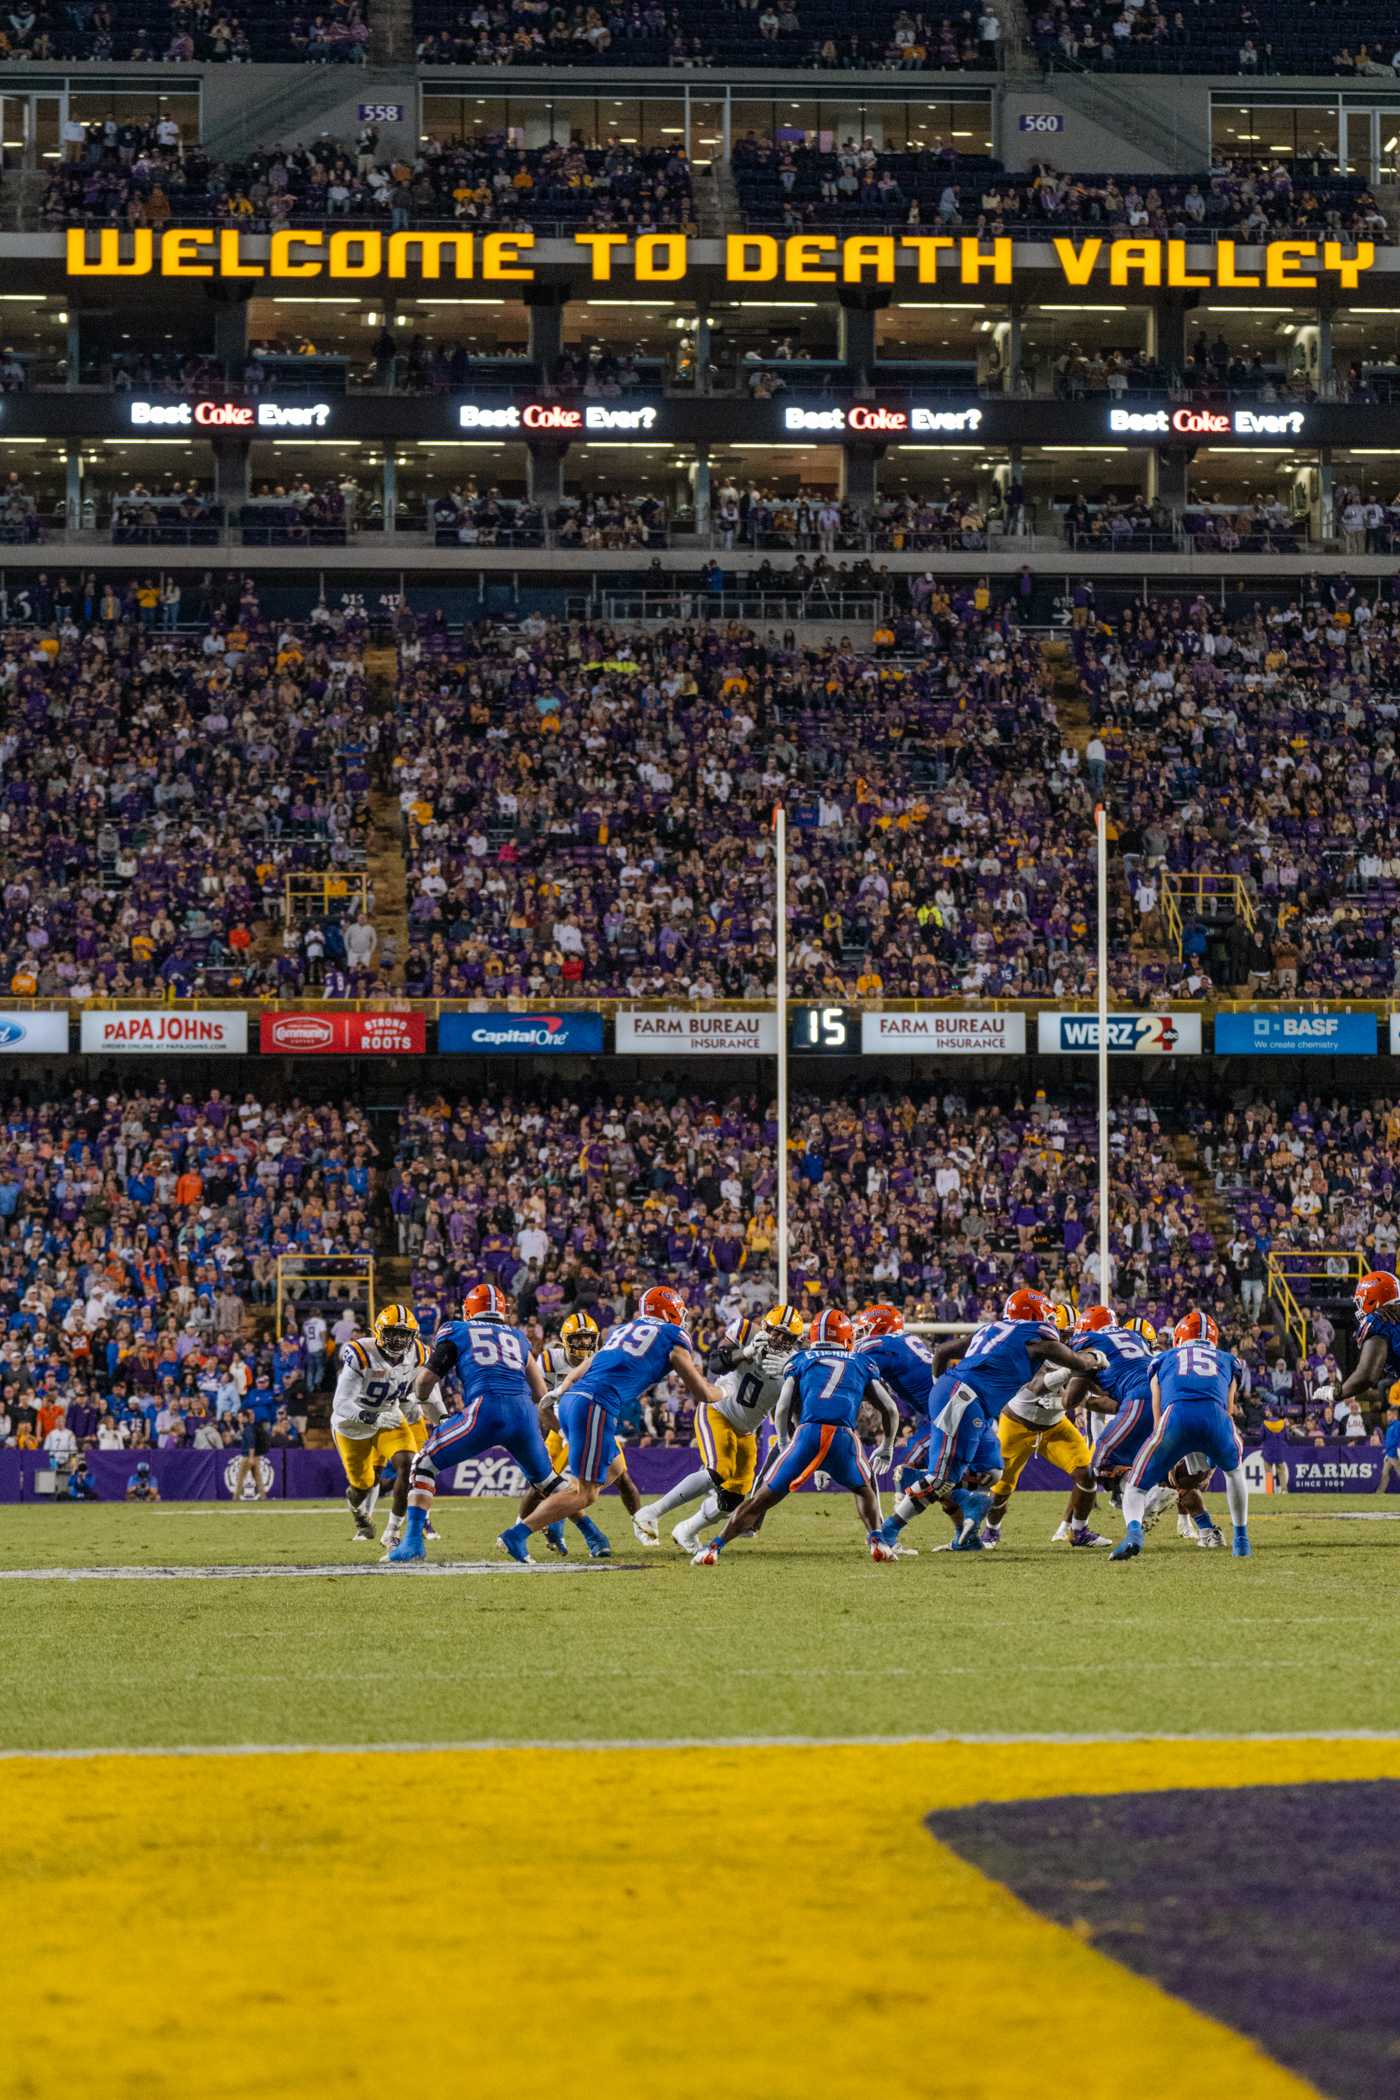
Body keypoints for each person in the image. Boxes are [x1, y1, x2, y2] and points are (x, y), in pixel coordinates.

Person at [497, 1285, 721, 1564]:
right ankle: (518, 1533)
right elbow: (701, 1393)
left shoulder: (625, 1329)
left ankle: (557, 1515)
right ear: (671, 1311)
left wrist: (563, 1386)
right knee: (584, 1494)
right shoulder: (673, 1335)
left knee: (616, 1470)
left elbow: (592, 1360)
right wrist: (723, 1391)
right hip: (595, 1406)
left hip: (575, 1401)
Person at [875, 1289, 1104, 1554]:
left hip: (967, 1399)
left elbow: (943, 1352)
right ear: (1034, 1313)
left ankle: (964, 1519)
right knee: (941, 1478)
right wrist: (1096, 1358)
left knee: (990, 1471)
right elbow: (1077, 1361)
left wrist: (941, 1385)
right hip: (965, 1397)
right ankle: (887, 1533)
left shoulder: (994, 1329)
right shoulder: (1034, 1335)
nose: (1050, 1322)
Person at [691, 1309, 900, 1564]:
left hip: (807, 1433)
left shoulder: (800, 1359)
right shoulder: (861, 1362)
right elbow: (889, 1408)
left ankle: (714, 1547)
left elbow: (782, 1408)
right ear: (846, 1337)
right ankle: (877, 1539)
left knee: (761, 1499)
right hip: (843, 1435)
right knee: (863, 1489)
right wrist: (887, 1446)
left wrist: (783, 1442)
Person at [388, 1281, 562, 1565]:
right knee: (551, 1483)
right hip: (525, 1414)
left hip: (486, 1410)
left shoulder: (457, 1329)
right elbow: (541, 1396)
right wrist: (561, 1428)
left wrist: (421, 1400)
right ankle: (594, 1537)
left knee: (424, 1463)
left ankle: (413, 1542)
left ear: (469, 1309)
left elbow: (426, 1380)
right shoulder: (518, 1338)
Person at [633, 1302, 806, 1553]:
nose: (777, 1339)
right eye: (774, 1331)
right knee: (718, 1470)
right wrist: (745, 1353)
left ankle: (687, 1530)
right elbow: (716, 1364)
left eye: (785, 1336)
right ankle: (651, 1512)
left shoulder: (797, 1364)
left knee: (734, 1498)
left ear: (795, 1340)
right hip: (718, 1410)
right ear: (765, 1326)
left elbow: (796, 1410)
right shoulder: (746, 1330)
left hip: (746, 1429)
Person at [1110, 1312, 1252, 1561]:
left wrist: (1160, 1437)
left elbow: (1157, 1403)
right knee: (1235, 1472)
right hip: (1215, 1417)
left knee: (1135, 1486)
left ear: (1179, 1337)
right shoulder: (1228, 1360)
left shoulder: (1162, 1358)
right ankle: (1241, 1540)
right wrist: (1213, 1452)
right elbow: (1229, 1408)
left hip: (1175, 1416)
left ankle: (1133, 1534)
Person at [982, 1302, 1112, 1549]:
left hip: (1054, 1425)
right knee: (1001, 1488)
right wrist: (1077, 1367)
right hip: (1017, 1424)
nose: (1068, 1340)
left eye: (1072, 1334)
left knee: (1086, 1475)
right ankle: (991, 1531)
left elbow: (1079, 1392)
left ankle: (1079, 1531)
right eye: (1064, 1334)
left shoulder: (1076, 1351)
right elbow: (1038, 1386)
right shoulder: (1034, 1346)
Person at [538, 1309, 652, 1550]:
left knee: (623, 1479)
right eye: (577, 1338)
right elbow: (541, 1405)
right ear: (565, 1339)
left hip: (595, 1425)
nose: (582, 1343)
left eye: (587, 1338)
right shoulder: (549, 1360)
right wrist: (562, 1433)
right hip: (560, 1429)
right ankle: (540, 1529)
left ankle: (641, 1523)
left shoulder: (602, 1358)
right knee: (546, 1486)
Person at [331, 1304, 434, 1547]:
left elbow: (426, 1385)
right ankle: (358, 1511)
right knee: (362, 1485)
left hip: (389, 1415)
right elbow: (340, 1403)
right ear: (378, 1332)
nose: (398, 1340)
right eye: (392, 1333)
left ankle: (392, 1531)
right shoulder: (361, 1353)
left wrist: (432, 1410)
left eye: (404, 1334)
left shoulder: (419, 1353)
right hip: (352, 1426)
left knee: (409, 1464)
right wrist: (370, 1417)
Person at [1379, 1407, 1400, 1495]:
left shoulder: (1398, 1425)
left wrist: (1387, 1448)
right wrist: (1386, 1449)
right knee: (1384, 1474)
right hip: (1389, 1454)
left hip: (1395, 1454)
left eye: (1389, 1415)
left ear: (1394, 1415)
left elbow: (1396, 1439)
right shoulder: (1389, 1426)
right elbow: (1387, 1440)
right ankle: (1379, 1493)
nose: (1387, 1417)